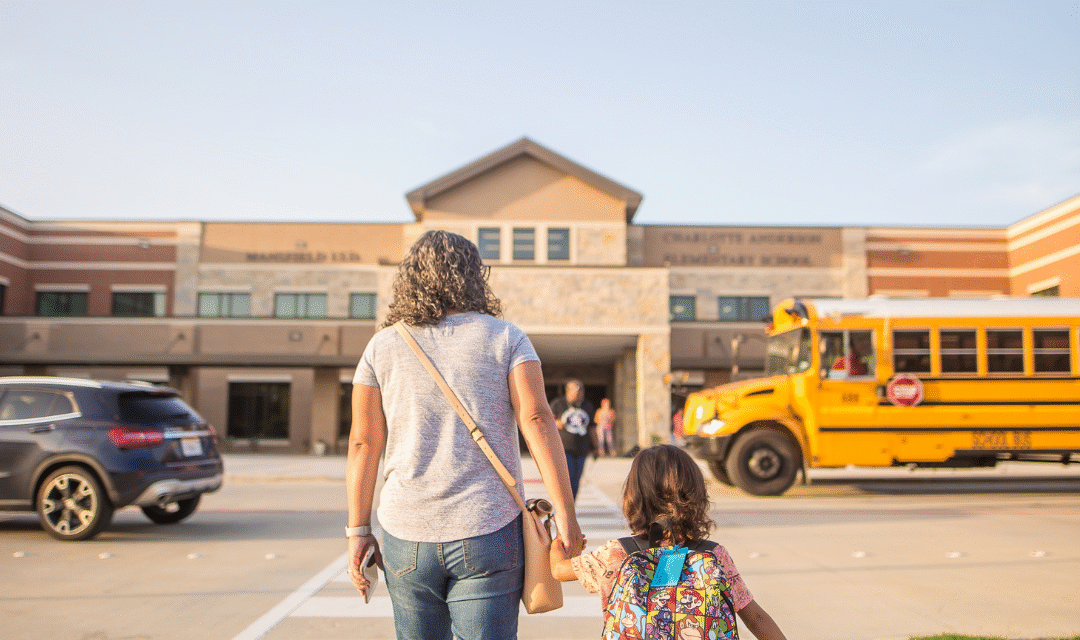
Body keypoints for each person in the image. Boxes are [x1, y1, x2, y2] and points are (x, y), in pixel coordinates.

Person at [345, 230, 585, 640]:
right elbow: (538, 421)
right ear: (474, 276)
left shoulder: (381, 346)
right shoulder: (506, 337)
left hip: (406, 533)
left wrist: (358, 531)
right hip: (488, 529)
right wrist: (566, 515)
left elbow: (364, 443)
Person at [549, 444, 788, 640]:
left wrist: (557, 543)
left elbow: (559, 570)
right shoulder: (715, 555)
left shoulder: (616, 554)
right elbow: (755, 618)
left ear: (633, 496)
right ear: (695, 493)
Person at [550, 379, 595, 498]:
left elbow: (592, 428)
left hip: (581, 449)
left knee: (576, 480)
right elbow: (546, 421)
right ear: (568, 391)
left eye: (581, 391)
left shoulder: (587, 406)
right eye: (576, 391)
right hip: (564, 448)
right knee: (567, 478)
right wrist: (556, 423)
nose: (579, 394)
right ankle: (564, 505)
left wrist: (596, 446)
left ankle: (572, 505)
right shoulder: (558, 404)